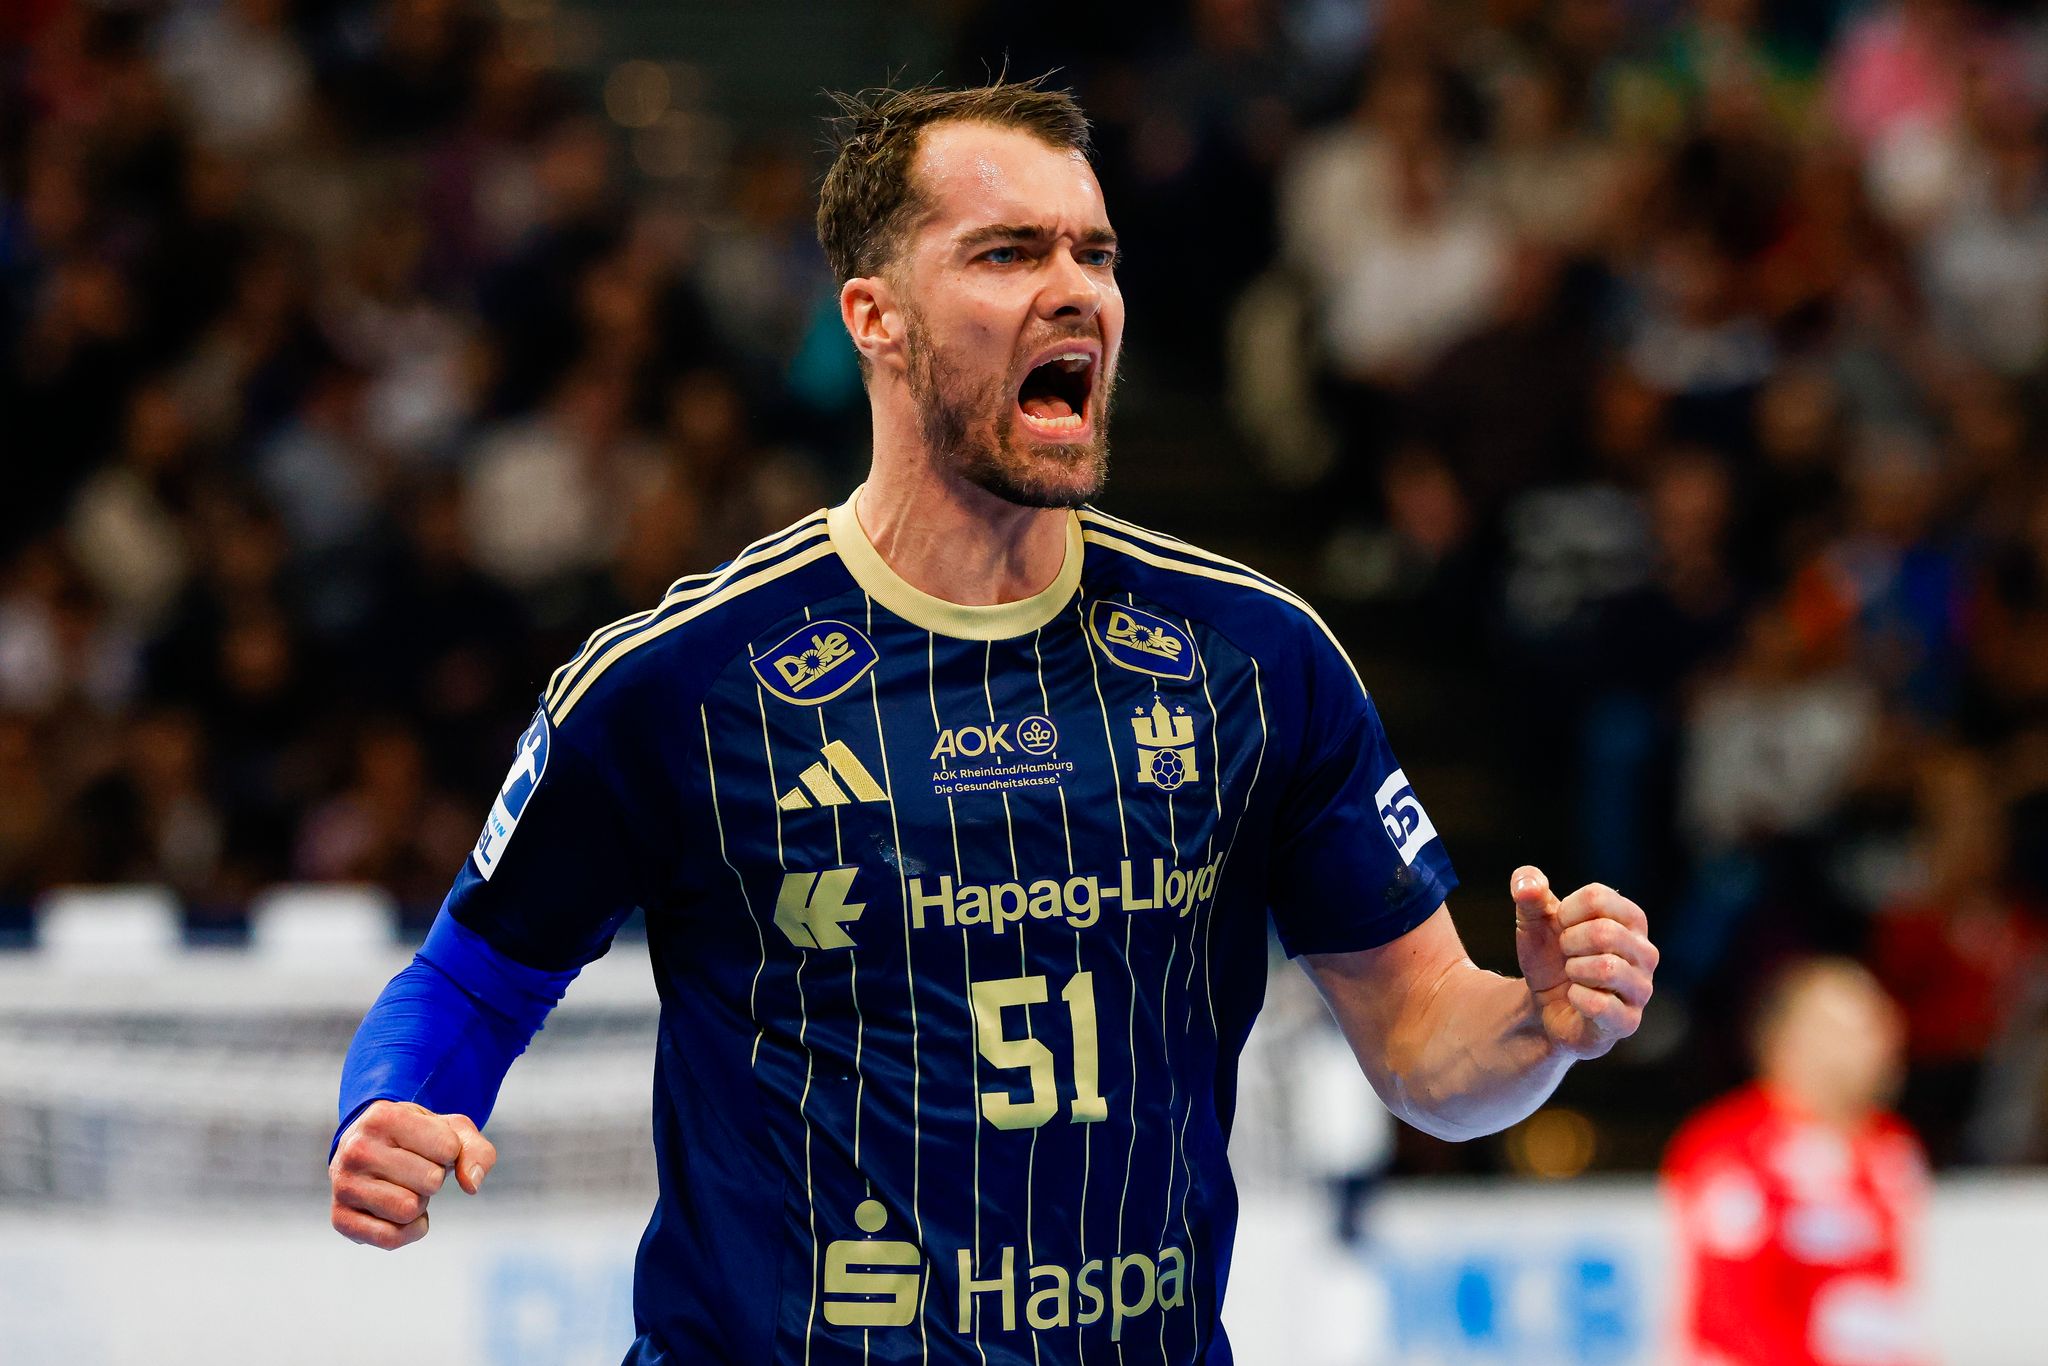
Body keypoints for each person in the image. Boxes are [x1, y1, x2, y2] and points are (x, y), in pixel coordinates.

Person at [327, 79, 1659, 1363]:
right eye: (1009, 252)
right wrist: (394, 1103)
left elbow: (1425, 1043)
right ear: (875, 318)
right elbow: (468, 981)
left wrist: (1538, 1024)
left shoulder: (1254, 660)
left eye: (1095, 253)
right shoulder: (680, 682)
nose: (1076, 289)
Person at [1663, 958, 1929, 1366]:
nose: (1881, 1042)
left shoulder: (1892, 1147)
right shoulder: (1730, 1147)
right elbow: (1728, 1314)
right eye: (1852, 1030)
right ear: (1789, 1041)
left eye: (1881, 1024)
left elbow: (1891, 1296)